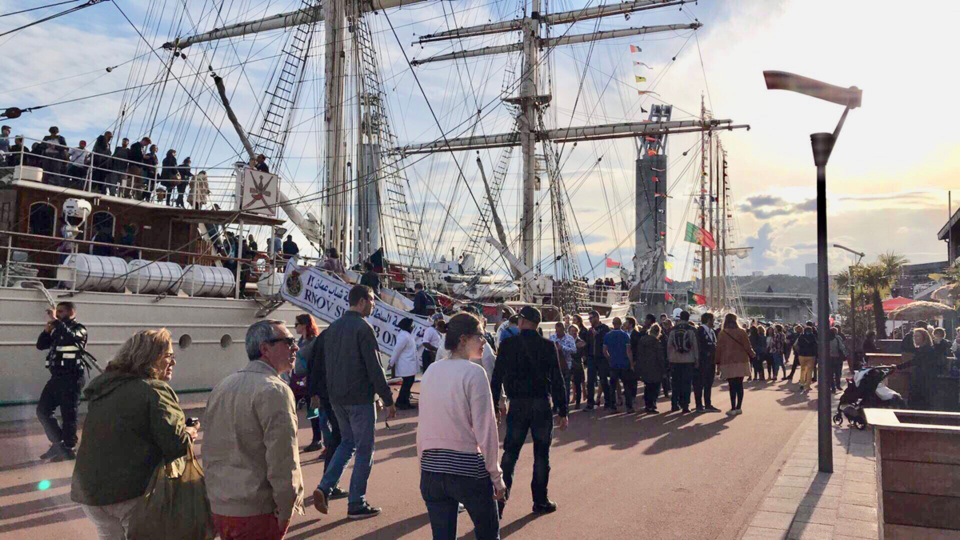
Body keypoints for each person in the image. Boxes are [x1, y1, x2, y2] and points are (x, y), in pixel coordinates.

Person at [71, 329, 197, 539]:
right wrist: (190, 431)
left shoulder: (104, 387)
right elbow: (177, 445)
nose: (173, 362)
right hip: (130, 493)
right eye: (168, 356)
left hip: (90, 493)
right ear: (150, 358)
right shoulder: (154, 390)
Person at [204, 320, 305, 539]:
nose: (295, 347)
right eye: (288, 342)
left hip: (221, 506)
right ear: (265, 348)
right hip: (258, 510)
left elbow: (210, 448)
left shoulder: (223, 386)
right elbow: (283, 459)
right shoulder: (275, 390)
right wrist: (287, 508)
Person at [418, 313, 505, 540]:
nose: (485, 340)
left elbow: (424, 425)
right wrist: (496, 476)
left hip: (431, 468)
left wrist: (423, 465)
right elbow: (486, 428)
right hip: (467, 467)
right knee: (488, 534)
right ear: (464, 339)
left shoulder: (430, 371)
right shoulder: (475, 373)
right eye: (481, 336)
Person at [313, 285, 397, 519]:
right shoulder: (363, 327)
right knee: (364, 450)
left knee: (346, 443)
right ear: (361, 301)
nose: (374, 304)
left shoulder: (333, 328)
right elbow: (374, 367)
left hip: (337, 397)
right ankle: (356, 502)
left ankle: (325, 486)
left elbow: (326, 364)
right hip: (359, 398)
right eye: (371, 300)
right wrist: (387, 399)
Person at [491, 306, 568, 516]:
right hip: (542, 403)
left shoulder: (507, 344)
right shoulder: (548, 346)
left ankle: (499, 502)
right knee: (542, 455)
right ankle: (540, 501)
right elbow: (558, 380)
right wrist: (563, 410)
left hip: (518, 403)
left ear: (523, 322)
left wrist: (494, 405)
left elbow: (496, 377)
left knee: (510, 454)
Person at [36, 301, 88, 461]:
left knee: (68, 413)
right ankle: (59, 443)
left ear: (71, 313)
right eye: (56, 312)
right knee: (43, 410)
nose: (57, 314)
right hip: (57, 378)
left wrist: (56, 322)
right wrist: (46, 331)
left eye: (61, 312)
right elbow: (41, 345)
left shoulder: (79, 329)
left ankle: (69, 447)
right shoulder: (57, 330)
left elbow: (70, 337)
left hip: (72, 377)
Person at [295, 314, 328, 453]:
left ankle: (319, 440)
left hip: (311, 380)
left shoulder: (314, 341)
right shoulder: (301, 340)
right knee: (310, 409)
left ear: (304, 325)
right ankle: (318, 438)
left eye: (297, 324)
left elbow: (317, 361)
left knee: (316, 410)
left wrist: (309, 376)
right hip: (299, 379)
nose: (295, 326)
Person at [715, 313, 753, 415]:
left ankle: (733, 408)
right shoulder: (742, 332)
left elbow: (719, 348)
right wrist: (752, 354)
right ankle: (739, 407)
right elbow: (747, 346)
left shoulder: (722, 333)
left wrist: (717, 361)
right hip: (742, 360)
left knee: (732, 385)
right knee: (740, 385)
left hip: (728, 361)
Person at [666, 310, 699, 413]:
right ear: (688, 318)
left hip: (675, 360)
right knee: (686, 383)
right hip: (688, 360)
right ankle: (685, 405)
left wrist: (669, 358)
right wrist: (696, 359)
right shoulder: (691, 329)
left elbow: (669, 346)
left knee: (675, 383)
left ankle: (674, 404)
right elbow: (695, 346)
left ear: (680, 317)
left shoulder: (673, 329)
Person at [901, 328, 940, 410]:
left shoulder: (926, 349)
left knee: (919, 401)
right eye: (914, 336)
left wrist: (898, 367)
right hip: (921, 376)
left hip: (924, 378)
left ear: (924, 337)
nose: (915, 338)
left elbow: (915, 361)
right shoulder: (922, 348)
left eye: (917, 336)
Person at [603, 317, 636, 413]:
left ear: (613, 324)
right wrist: (631, 364)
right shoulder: (625, 335)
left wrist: (610, 359)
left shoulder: (607, 335)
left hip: (613, 364)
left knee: (612, 387)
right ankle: (629, 407)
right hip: (624, 363)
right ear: (620, 324)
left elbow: (604, 351)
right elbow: (628, 351)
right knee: (627, 386)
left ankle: (612, 407)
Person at [636, 323, 666, 413]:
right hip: (655, 367)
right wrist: (664, 370)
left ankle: (647, 405)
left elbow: (639, 354)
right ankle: (652, 405)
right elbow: (660, 357)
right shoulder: (656, 342)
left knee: (648, 387)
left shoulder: (642, 340)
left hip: (645, 366)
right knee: (655, 388)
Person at [693, 312, 720, 412]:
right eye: (713, 320)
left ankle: (708, 404)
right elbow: (698, 346)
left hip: (711, 362)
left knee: (708, 384)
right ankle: (699, 405)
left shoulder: (711, 331)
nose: (714, 322)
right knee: (699, 384)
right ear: (709, 320)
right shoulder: (700, 330)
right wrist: (705, 353)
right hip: (702, 362)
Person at [390, 318, 419, 410]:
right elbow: (396, 350)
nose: (413, 327)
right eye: (411, 325)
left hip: (410, 364)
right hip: (406, 364)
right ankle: (400, 402)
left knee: (408, 383)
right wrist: (391, 362)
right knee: (407, 384)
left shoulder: (407, 335)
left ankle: (405, 401)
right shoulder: (404, 336)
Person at [585, 311, 611, 411]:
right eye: (589, 319)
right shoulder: (589, 330)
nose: (590, 320)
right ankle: (590, 403)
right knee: (590, 381)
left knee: (603, 380)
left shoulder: (605, 328)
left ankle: (608, 402)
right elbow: (587, 344)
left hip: (601, 358)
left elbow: (607, 342)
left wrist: (598, 336)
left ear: (596, 317)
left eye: (591, 318)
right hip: (592, 358)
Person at [550, 322, 576, 409]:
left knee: (566, 386)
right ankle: (555, 404)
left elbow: (574, 350)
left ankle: (565, 405)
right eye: (556, 330)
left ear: (563, 330)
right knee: (555, 386)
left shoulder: (569, 338)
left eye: (559, 331)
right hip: (555, 365)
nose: (557, 332)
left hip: (566, 365)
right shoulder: (552, 337)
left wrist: (562, 348)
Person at [568, 324, 587, 408]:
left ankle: (578, 402)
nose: (573, 332)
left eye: (575, 331)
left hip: (577, 364)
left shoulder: (580, 341)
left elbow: (583, 354)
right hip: (569, 365)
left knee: (578, 384)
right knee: (571, 384)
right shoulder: (567, 341)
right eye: (571, 331)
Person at [795, 326, 818, 392]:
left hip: (802, 355)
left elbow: (796, 345)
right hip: (811, 355)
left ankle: (802, 383)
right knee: (810, 370)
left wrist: (798, 352)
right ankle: (807, 385)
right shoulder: (813, 336)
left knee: (803, 369)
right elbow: (816, 345)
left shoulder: (801, 336)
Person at [827, 327, 848, 393]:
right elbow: (842, 347)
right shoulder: (838, 338)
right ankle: (838, 385)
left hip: (829, 358)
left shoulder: (826, 339)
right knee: (838, 372)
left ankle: (833, 387)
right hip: (837, 358)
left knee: (830, 373)